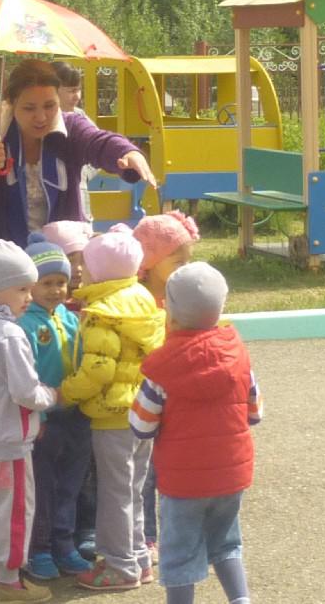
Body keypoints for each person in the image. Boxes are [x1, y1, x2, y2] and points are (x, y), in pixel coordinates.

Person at [129, 262, 263, 604]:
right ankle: (240, 599)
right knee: (227, 542)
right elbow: (255, 412)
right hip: (231, 475)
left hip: (183, 482)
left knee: (179, 553)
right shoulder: (238, 355)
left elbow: (142, 425)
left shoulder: (163, 369)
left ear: (169, 313)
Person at [0, 59, 156, 247]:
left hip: (64, 258)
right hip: (8, 261)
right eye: (29, 108)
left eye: (49, 106)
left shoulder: (71, 126)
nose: (41, 117)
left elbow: (99, 141)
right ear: (11, 104)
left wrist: (128, 152)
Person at [60, 227, 165, 591]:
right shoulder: (142, 301)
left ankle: (119, 565)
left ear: (99, 271)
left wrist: (66, 393)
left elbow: (99, 370)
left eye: (87, 266)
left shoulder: (101, 313)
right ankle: (137, 556)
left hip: (111, 414)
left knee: (114, 493)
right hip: (142, 411)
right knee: (133, 489)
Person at [0, 239, 58, 604]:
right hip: (10, 441)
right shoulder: (10, 334)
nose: (28, 297)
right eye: (21, 289)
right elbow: (25, 391)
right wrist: (50, 396)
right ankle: (9, 581)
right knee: (16, 511)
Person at [17, 236, 92, 580]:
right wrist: (40, 415)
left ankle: (65, 544)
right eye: (46, 283)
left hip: (75, 415)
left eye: (60, 282)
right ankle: (40, 549)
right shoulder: (25, 323)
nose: (55, 290)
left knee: (70, 485)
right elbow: (26, 377)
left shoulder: (70, 317)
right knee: (42, 488)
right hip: (45, 420)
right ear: (30, 285)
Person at [132, 209, 202, 562]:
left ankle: (180, 531)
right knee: (146, 471)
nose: (185, 268)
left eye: (188, 260)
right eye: (177, 261)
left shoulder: (186, 300)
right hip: (146, 397)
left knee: (176, 469)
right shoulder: (138, 302)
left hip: (178, 400)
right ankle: (147, 535)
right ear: (150, 261)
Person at [51, 61, 96, 223]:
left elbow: (96, 149)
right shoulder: (41, 119)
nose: (76, 96)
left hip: (77, 198)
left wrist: (82, 172)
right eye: (71, 91)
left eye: (78, 90)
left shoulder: (80, 117)